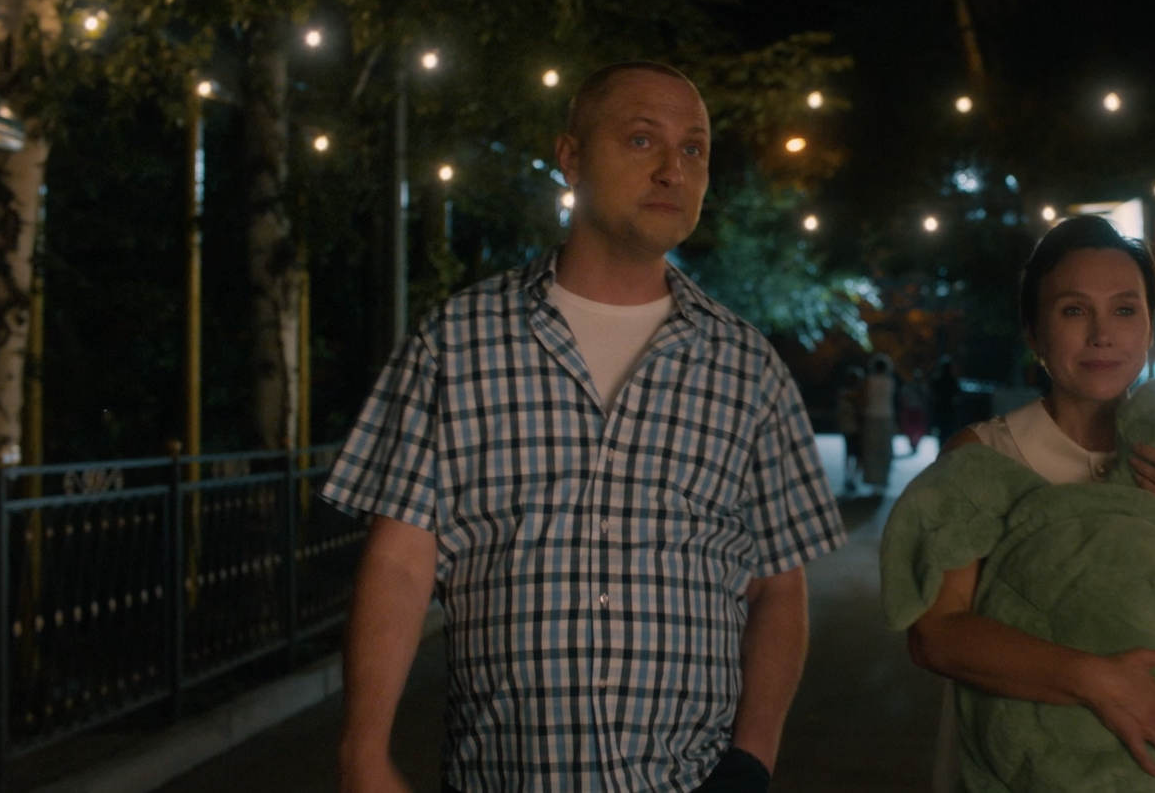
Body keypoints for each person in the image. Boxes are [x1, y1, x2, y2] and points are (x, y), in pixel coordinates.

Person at [326, 61, 847, 793]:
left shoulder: (746, 365)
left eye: (693, 149)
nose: (672, 170)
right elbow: (401, 561)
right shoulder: (458, 342)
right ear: (570, 156)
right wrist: (362, 753)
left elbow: (777, 587)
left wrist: (752, 761)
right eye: (641, 140)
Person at [905, 216, 1155, 789]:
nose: (1102, 334)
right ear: (1033, 332)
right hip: (1008, 772)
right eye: (1074, 310)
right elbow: (935, 635)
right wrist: (1092, 678)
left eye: (1125, 310)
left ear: (1149, 328)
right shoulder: (985, 456)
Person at [862, 354, 899, 490]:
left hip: (871, 416)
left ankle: (872, 479)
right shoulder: (890, 382)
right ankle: (883, 479)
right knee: (885, 450)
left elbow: (864, 398)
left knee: (871, 450)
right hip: (886, 416)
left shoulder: (869, 381)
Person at [836, 365, 866, 495]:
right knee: (858, 455)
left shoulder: (843, 394)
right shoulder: (859, 395)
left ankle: (849, 478)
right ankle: (852, 478)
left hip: (847, 427)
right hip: (856, 427)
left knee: (849, 454)